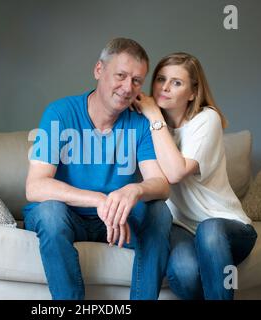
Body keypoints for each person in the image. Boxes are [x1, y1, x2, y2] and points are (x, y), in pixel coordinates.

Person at [23, 38, 173, 300]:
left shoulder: (139, 122)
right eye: (121, 75)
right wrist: (99, 200)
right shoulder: (60, 112)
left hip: (115, 222)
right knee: (49, 212)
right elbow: (35, 186)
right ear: (98, 70)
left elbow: (161, 183)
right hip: (68, 217)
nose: (128, 88)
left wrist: (135, 189)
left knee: (159, 211)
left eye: (137, 80)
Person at [132, 52, 257, 300]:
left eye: (176, 82)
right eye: (160, 79)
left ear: (192, 92)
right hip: (180, 227)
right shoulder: (146, 125)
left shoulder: (205, 120)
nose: (164, 88)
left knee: (209, 231)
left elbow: (175, 172)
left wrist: (155, 116)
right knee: (185, 272)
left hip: (225, 226)